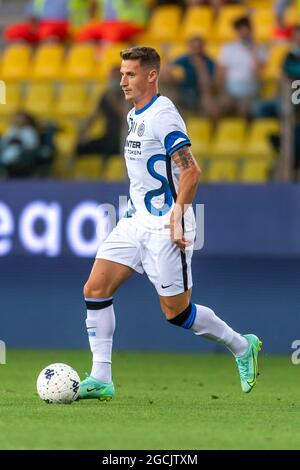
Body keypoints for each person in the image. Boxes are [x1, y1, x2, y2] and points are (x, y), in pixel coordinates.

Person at [78, 46, 262, 401]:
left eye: (130, 74)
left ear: (151, 75)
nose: (122, 81)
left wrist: (177, 215)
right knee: (95, 289)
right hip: (134, 221)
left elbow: (191, 170)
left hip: (166, 225)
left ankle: (242, 346)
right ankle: (101, 378)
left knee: (176, 313)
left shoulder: (164, 116)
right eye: (121, 74)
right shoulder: (135, 115)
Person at [218, 16, 266, 119]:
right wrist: (224, 91)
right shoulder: (228, 48)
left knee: (244, 107)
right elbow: (221, 72)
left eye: (244, 28)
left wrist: (253, 51)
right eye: (239, 29)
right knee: (218, 107)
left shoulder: (260, 49)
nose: (241, 32)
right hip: (230, 90)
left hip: (250, 89)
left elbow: (259, 72)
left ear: (250, 29)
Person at [75, 67, 125, 166]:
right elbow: (95, 116)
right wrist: (83, 133)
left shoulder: (129, 95)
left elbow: (125, 116)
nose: (113, 80)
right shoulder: (106, 95)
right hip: (108, 137)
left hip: (122, 139)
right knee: (80, 147)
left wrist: (114, 101)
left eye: (116, 77)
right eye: (111, 78)